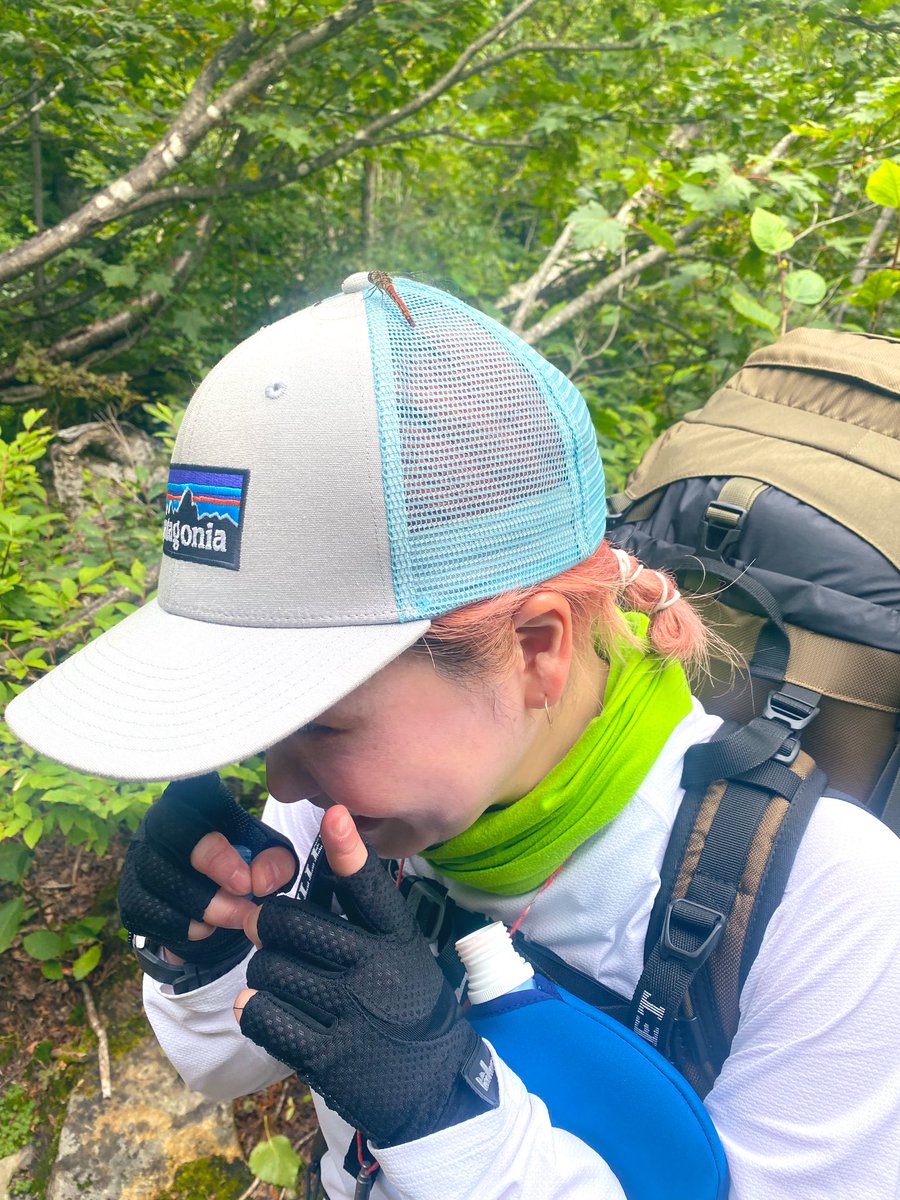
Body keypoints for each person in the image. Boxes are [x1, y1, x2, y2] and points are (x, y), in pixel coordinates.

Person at [6, 273, 900, 1200]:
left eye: (314, 717)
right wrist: (201, 952)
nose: (281, 777)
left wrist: (445, 1115)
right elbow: (226, 1061)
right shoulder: (360, 804)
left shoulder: (831, 912)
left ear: (538, 648)